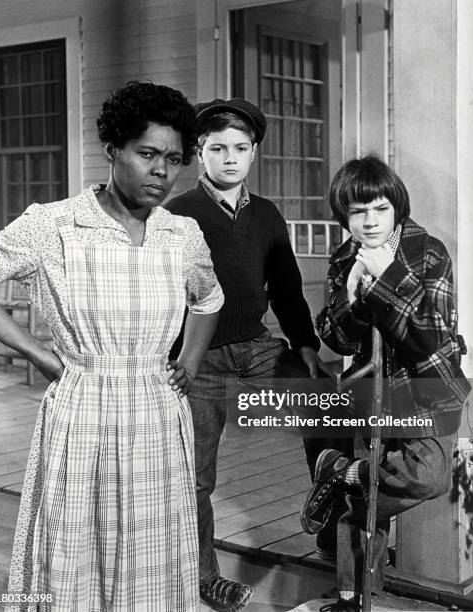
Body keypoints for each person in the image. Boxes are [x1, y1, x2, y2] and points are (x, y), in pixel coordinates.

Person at [0, 81, 224, 611]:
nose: (161, 172)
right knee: (78, 546)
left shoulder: (180, 233)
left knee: (151, 551)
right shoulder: (54, 226)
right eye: (147, 154)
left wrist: (186, 361)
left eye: (174, 159)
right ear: (113, 149)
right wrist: (41, 355)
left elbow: (209, 300)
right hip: (83, 409)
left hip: (159, 414)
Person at [166, 98, 333, 612]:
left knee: (328, 398)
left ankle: (330, 521)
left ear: (254, 152)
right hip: (199, 354)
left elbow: (285, 288)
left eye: (240, 148)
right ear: (199, 153)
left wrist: (305, 345)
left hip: (257, 344)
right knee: (195, 471)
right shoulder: (175, 215)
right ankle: (204, 576)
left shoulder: (265, 214)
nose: (230, 158)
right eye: (218, 148)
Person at [303, 156, 471, 611]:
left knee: (428, 475)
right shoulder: (343, 259)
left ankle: (341, 477)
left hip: (427, 387)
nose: (370, 220)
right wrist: (355, 297)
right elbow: (333, 335)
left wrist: (384, 279)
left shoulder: (427, 251)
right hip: (370, 389)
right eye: (358, 212)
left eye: (379, 208)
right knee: (368, 515)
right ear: (345, 217)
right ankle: (353, 596)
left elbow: (431, 336)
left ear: (396, 206)